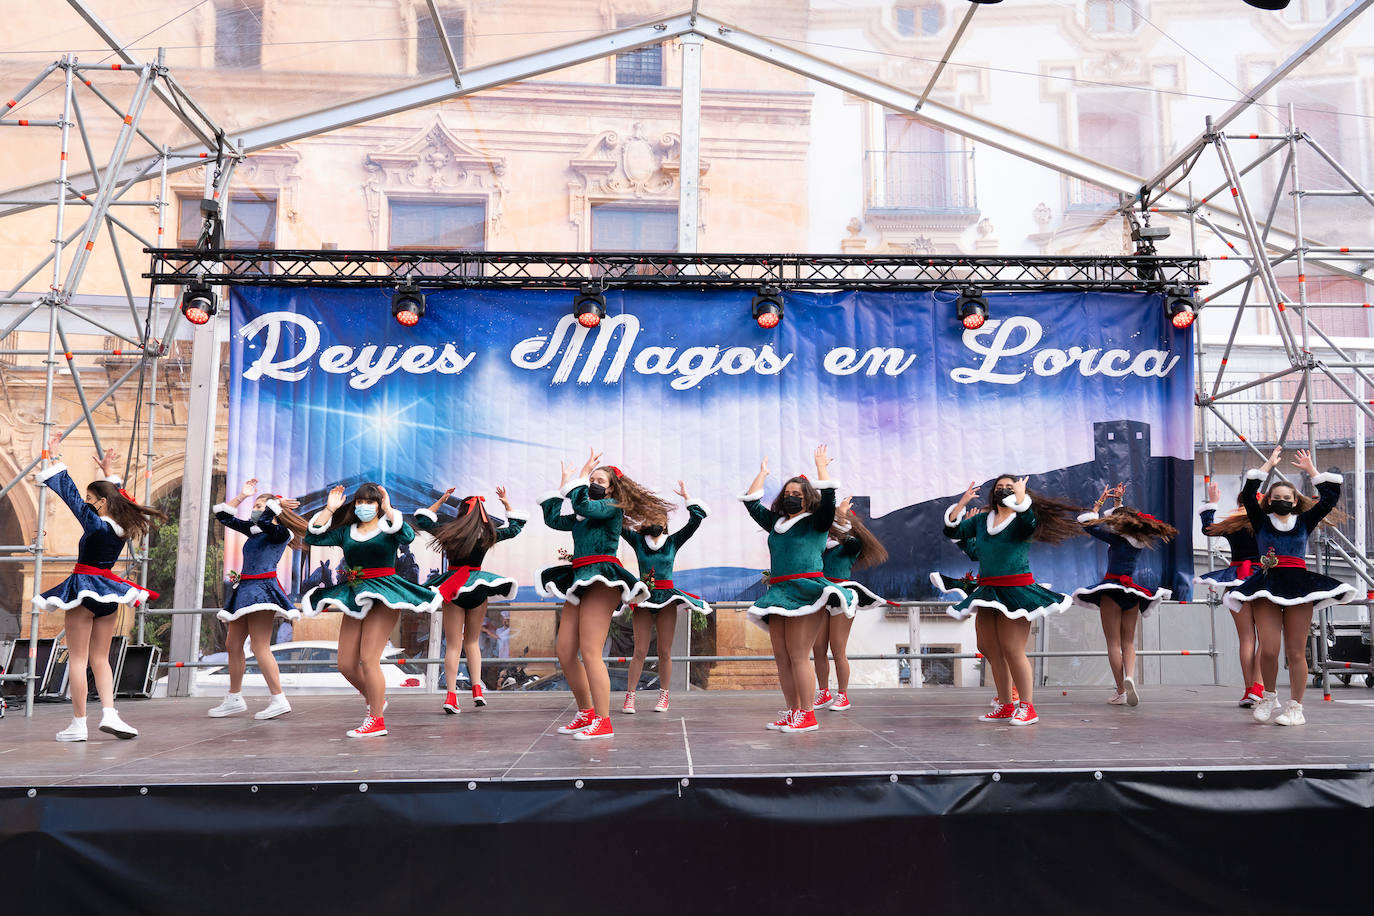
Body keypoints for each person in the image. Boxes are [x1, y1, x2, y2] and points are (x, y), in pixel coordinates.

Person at [35, 438, 166, 742]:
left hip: (84, 589)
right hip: (109, 592)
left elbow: (70, 497)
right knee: (101, 658)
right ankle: (110, 713)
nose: (87, 501)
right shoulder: (121, 527)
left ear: (102, 502)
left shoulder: (95, 524)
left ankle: (79, 724)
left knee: (78, 660)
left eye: (91, 497)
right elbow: (114, 498)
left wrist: (55, 459)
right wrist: (110, 475)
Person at [935, 475, 1081, 726]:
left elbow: (1030, 521)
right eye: (999, 487)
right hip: (988, 591)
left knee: (1013, 650)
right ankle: (1005, 704)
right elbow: (953, 530)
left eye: (1009, 487)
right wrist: (961, 504)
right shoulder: (982, 520)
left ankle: (1027, 707)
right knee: (989, 648)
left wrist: (1022, 497)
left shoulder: (1021, 520)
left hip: (1016, 590)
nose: (1002, 490)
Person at [538, 450, 663, 739]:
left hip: (603, 578)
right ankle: (586, 712)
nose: (594, 482)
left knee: (591, 651)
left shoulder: (611, 506)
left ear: (611, 488)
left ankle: (603, 721)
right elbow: (554, 520)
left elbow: (586, 502)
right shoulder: (583, 511)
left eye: (599, 480)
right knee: (565, 651)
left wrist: (580, 480)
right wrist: (563, 485)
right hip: (578, 577)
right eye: (591, 479)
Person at [1226, 447, 1353, 727]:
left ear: (1295, 501)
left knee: (1296, 651)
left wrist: (1312, 472)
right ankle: (1269, 696)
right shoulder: (1260, 521)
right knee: (1269, 649)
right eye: (1277, 498)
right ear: (1269, 501)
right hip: (1267, 584)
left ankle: (1296, 707)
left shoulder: (1305, 521)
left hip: (1298, 585)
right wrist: (1267, 465)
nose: (1282, 501)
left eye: (1287, 498)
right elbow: (1248, 495)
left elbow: (1329, 498)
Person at [304, 482, 442, 738]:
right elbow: (312, 537)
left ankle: (376, 720)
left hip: (386, 593)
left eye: (370, 502)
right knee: (345, 664)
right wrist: (329, 509)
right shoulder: (346, 532)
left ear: (378, 505)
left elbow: (408, 537)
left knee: (369, 659)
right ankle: (375, 698)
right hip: (355, 593)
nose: (364, 507)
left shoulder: (389, 527)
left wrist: (390, 510)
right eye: (360, 502)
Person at [740, 447, 856, 734]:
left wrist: (821, 469)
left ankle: (807, 714)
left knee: (798, 655)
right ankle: (793, 711)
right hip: (779, 593)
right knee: (781, 657)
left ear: (808, 499)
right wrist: (763, 474)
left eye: (799, 495)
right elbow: (751, 505)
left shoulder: (817, 522)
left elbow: (829, 500)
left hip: (807, 591)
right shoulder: (777, 523)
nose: (792, 497)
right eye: (788, 493)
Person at [413, 486, 526, 714]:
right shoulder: (488, 533)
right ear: (481, 512)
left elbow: (422, 520)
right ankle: (477, 689)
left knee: (454, 645)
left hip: (454, 587)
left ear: (460, 512)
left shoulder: (449, 531)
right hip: (477, 587)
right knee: (472, 642)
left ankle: (452, 696)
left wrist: (441, 500)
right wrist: (506, 504)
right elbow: (515, 528)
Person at [208, 478, 310, 721]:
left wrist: (275, 504)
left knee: (259, 646)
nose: (256, 509)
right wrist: (242, 495)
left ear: (274, 511)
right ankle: (234, 698)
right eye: (255, 505)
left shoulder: (280, 532)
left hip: (263, 589)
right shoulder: (254, 532)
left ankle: (279, 699)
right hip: (245, 590)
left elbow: (266, 521)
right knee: (233, 645)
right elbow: (223, 517)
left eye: (261, 505)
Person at [1070, 484, 1176, 707]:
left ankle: (1120, 690)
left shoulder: (1115, 538)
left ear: (1117, 524)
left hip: (1112, 590)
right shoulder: (1138, 540)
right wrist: (1118, 504)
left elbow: (1085, 522)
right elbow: (1120, 521)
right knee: (1128, 642)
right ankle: (1129, 677)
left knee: (1113, 643)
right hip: (1133, 594)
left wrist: (1099, 504)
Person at [620, 480, 710, 715]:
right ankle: (630, 697)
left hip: (667, 598)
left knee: (664, 651)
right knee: (639, 651)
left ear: (665, 524)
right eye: (651, 519)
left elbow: (696, 520)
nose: (656, 523)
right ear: (645, 522)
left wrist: (687, 496)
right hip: (644, 598)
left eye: (660, 520)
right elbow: (617, 523)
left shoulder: (672, 542)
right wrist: (623, 495)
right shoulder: (638, 541)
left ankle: (664, 695)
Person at [812, 496, 888, 712]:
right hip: (821, 594)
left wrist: (842, 515)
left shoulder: (851, 544)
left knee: (838, 648)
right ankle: (823, 692)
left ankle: (843, 695)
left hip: (843, 597)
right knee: (818, 648)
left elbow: (852, 541)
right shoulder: (820, 544)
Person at [1196, 480, 1264, 707]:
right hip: (1263, 580)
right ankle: (1259, 687)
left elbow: (1208, 528)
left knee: (1246, 638)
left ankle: (1248, 691)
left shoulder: (1233, 523)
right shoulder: (1266, 521)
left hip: (1236, 580)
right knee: (1266, 638)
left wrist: (1213, 502)